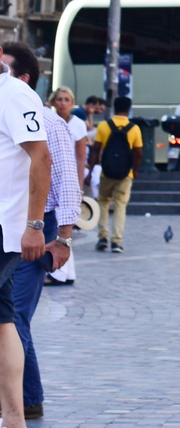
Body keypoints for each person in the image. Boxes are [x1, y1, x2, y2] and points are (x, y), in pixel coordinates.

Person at [1, 45, 77, 421]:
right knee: (8, 317)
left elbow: (64, 180)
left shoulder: (44, 119)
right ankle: (20, 405)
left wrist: (61, 237)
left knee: (14, 318)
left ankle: (26, 402)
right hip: (17, 222)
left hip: (34, 225)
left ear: (22, 77)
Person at [0, 56, 52, 428]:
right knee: (3, 321)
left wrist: (36, 226)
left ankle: (16, 424)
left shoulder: (14, 93)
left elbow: (42, 156)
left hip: (3, 227)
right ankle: (13, 425)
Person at [46, 87, 88, 285]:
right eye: (59, 99)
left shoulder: (78, 124)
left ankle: (60, 272)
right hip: (50, 175)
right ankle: (63, 272)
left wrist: (77, 186)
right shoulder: (47, 121)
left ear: (72, 102)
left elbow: (80, 158)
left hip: (68, 178)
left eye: (67, 99)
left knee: (63, 229)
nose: (63, 103)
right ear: (54, 102)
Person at [93, 97, 143, 252]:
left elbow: (96, 149)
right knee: (120, 205)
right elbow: (138, 153)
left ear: (114, 108)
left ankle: (102, 237)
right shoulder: (134, 128)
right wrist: (134, 171)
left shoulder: (103, 126)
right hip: (125, 174)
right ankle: (117, 241)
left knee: (103, 202)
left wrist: (91, 168)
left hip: (106, 172)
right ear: (128, 109)